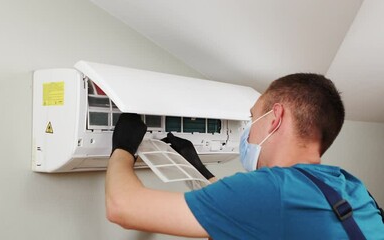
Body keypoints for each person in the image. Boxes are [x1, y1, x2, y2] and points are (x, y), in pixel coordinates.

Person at [105, 73, 384, 239]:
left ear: (274, 118)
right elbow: (251, 213)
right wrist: (199, 170)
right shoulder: (349, 187)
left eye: (253, 117)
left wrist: (123, 149)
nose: (248, 129)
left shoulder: (273, 190)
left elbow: (123, 206)